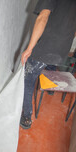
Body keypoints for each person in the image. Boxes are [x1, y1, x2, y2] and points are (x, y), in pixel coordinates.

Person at [20, 0, 76, 129]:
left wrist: (29, 49)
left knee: (28, 78)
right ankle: (50, 89)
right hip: (62, 51)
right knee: (50, 61)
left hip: (48, 47)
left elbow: (42, 17)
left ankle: (27, 116)